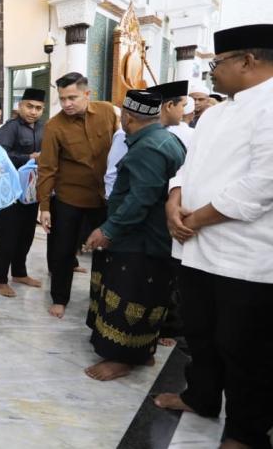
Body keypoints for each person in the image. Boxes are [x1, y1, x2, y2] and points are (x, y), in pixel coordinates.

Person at [155, 24, 273, 449]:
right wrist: (174, 199)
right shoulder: (217, 113)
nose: (212, 72)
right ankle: (200, 397)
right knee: (200, 335)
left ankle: (245, 432)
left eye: (217, 64)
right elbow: (188, 167)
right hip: (195, 249)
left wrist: (197, 218)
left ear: (248, 60)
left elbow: (262, 184)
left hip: (245, 258)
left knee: (245, 349)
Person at [83, 88, 185, 381]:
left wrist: (108, 229)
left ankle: (122, 359)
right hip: (151, 237)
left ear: (127, 117)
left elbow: (140, 199)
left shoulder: (147, 149)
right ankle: (142, 352)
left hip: (140, 239)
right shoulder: (164, 139)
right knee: (149, 296)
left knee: (131, 295)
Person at [38, 72, 118, 318]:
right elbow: (47, 168)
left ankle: (100, 299)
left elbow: (120, 146)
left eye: (72, 98)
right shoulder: (54, 126)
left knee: (104, 252)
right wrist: (44, 207)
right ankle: (59, 298)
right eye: (62, 99)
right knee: (63, 252)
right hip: (69, 199)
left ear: (87, 94)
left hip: (104, 198)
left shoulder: (107, 112)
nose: (66, 104)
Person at [0, 88, 46, 297]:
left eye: (38, 108)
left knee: (26, 234)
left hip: (31, 192)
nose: (33, 111)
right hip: (12, 194)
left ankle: (19, 273)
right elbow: (0, 156)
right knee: (7, 237)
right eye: (29, 106)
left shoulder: (43, 128)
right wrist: (29, 157)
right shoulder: (10, 128)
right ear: (20, 106)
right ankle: (0, 280)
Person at [104, 80, 193, 198]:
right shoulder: (126, 133)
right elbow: (113, 176)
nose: (184, 111)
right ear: (169, 105)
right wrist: (113, 204)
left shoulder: (176, 134)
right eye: (183, 106)